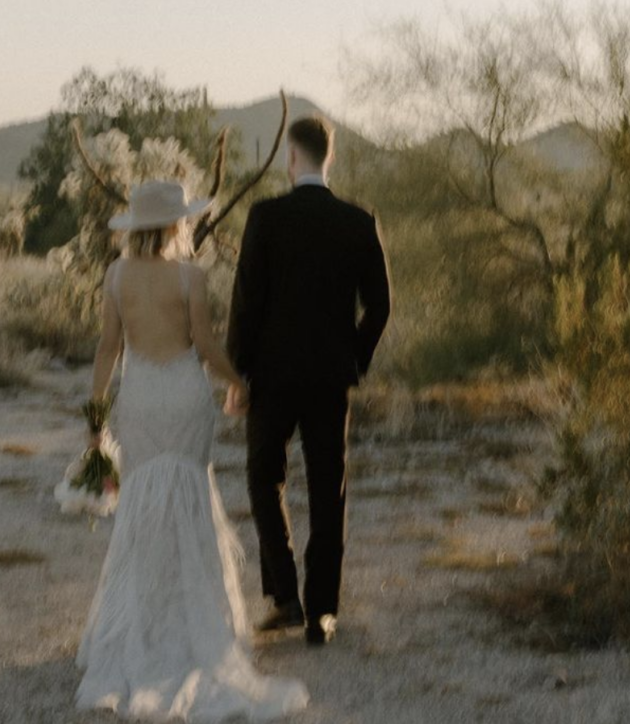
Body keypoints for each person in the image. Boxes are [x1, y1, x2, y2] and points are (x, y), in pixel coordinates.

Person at [75, 180, 309, 722]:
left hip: (138, 399)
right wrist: (239, 383)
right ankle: (194, 629)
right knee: (190, 503)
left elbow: (109, 347)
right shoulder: (190, 277)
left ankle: (142, 629)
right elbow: (204, 347)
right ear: (177, 225)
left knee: (140, 509)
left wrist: (95, 412)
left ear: (137, 227)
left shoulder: (115, 276)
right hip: (182, 396)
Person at [227, 115, 391, 646]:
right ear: (330, 157)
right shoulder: (358, 221)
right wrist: (353, 358)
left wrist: (237, 371)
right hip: (329, 379)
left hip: (272, 377)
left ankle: (284, 597)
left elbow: (246, 303)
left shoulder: (265, 218)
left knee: (262, 477)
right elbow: (380, 308)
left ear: (291, 158)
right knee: (328, 490)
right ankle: (323, 612)